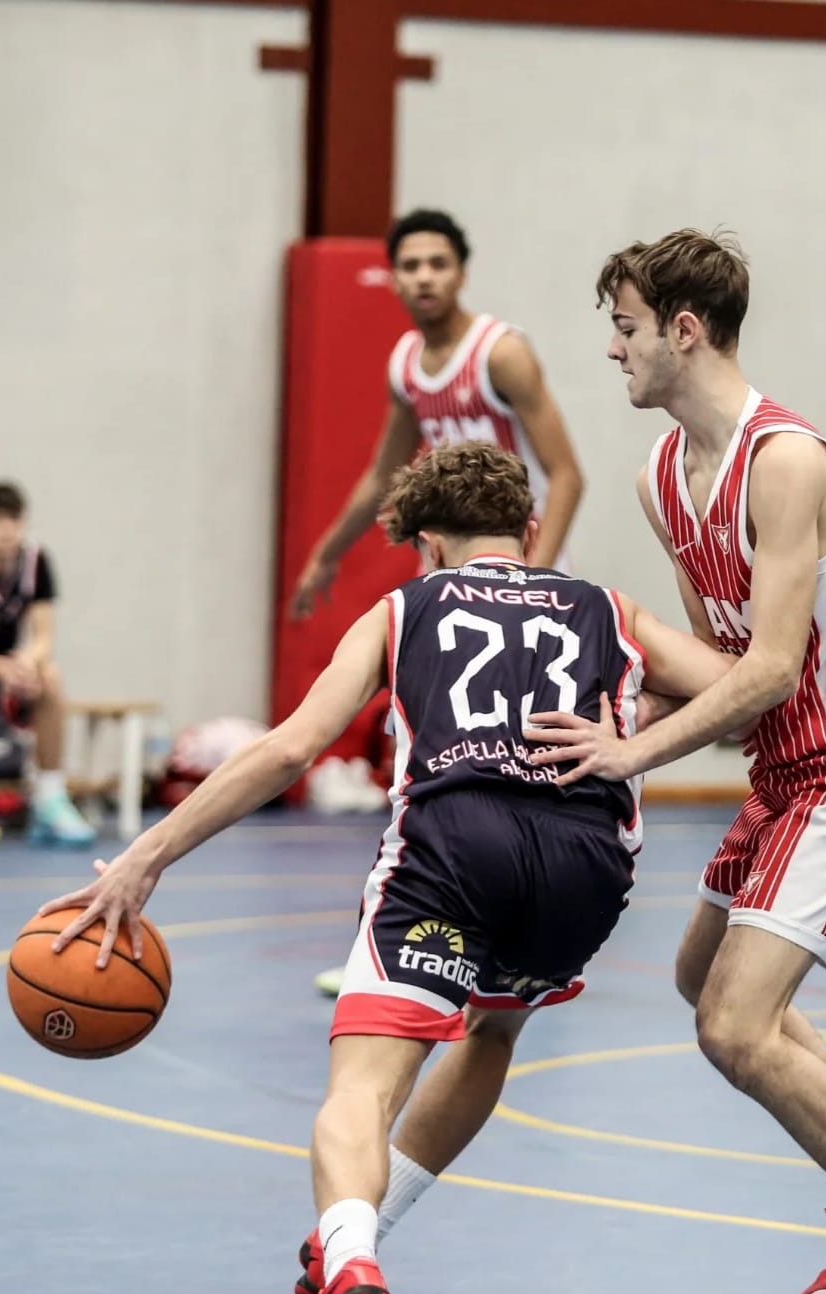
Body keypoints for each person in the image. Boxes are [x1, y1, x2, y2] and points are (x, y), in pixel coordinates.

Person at [41, 442, 739, 1294]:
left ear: (428, 545)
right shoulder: (607, 606)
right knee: (493, 1032)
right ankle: (358, 1234)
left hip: (454, 849)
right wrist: (634, 725)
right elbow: (738, 689)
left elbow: (291, 749)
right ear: (529, 532)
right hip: (584, 864)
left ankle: (351, 1258)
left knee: (364, 1086)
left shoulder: (403, 609)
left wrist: (145, 857)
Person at [524, 230, 826, 1294]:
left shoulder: (785, 462)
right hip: (784, 765)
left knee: (733, 1024)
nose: (613, 349)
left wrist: (630, 753)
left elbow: (771, 668)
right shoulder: (661, 478)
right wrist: (617, 710)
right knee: (703, 982)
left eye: (626, 327)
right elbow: (722, 666)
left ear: (684, 330)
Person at [293, 207, 585, 997]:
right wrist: (327, 552)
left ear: (461, 270)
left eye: (437, 263)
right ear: (392, 276)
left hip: (525, 587)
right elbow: (382, 475)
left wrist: (533, 582)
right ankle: (393, 941)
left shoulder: (503, 353)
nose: (424, 277)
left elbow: (566, 473)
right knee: (427, 764)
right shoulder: (406, 364)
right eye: (410, 265)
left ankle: (526, 939)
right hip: (454, 590)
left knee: (531, 767)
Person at [0, 482, 95, 848]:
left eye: (13, 520)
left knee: (50, 676)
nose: (5, 529)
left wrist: (27, 663)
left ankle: (50, 799)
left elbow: (43, 635)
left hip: (6, 675)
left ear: (24, 523)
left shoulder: (36, 561)